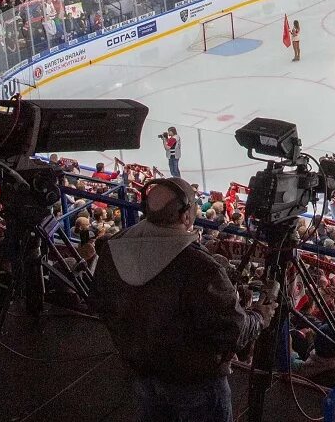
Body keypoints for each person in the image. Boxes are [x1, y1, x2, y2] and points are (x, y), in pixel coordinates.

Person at [92, 177, 267, 422]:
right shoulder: (200, 267)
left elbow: (101, 303)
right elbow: (233, 330)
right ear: (186, 216)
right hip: (196, 383)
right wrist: (260, 315)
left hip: (142, 371)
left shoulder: (113, 248)